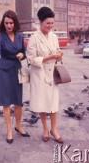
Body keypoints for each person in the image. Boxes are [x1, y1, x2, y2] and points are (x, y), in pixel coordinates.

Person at [0, 10, 30, 144]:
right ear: (3, 24)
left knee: (18, 101)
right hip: (3, 71)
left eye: (11, 22)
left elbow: (24, 52)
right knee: (6, 102)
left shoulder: (20, 37)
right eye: (6, 23)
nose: (9, 25)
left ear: (15, 23)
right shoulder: (0, 37)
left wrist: (22, 55)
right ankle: (9, 129)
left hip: (16, 70)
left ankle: (18, 126)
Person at [26, 7, 64, 143]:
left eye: (52, 23)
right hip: (40, 75)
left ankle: (54, 129)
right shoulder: (33, 39)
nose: (50, 26)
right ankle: (45, 129)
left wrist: (59, 56)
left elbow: (57, 55)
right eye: (48, 23)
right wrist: (49, 57)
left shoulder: (54, 37)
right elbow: (30, 60)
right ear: (40, 22)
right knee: (42, 104)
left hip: (52, 75)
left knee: (54, 104)